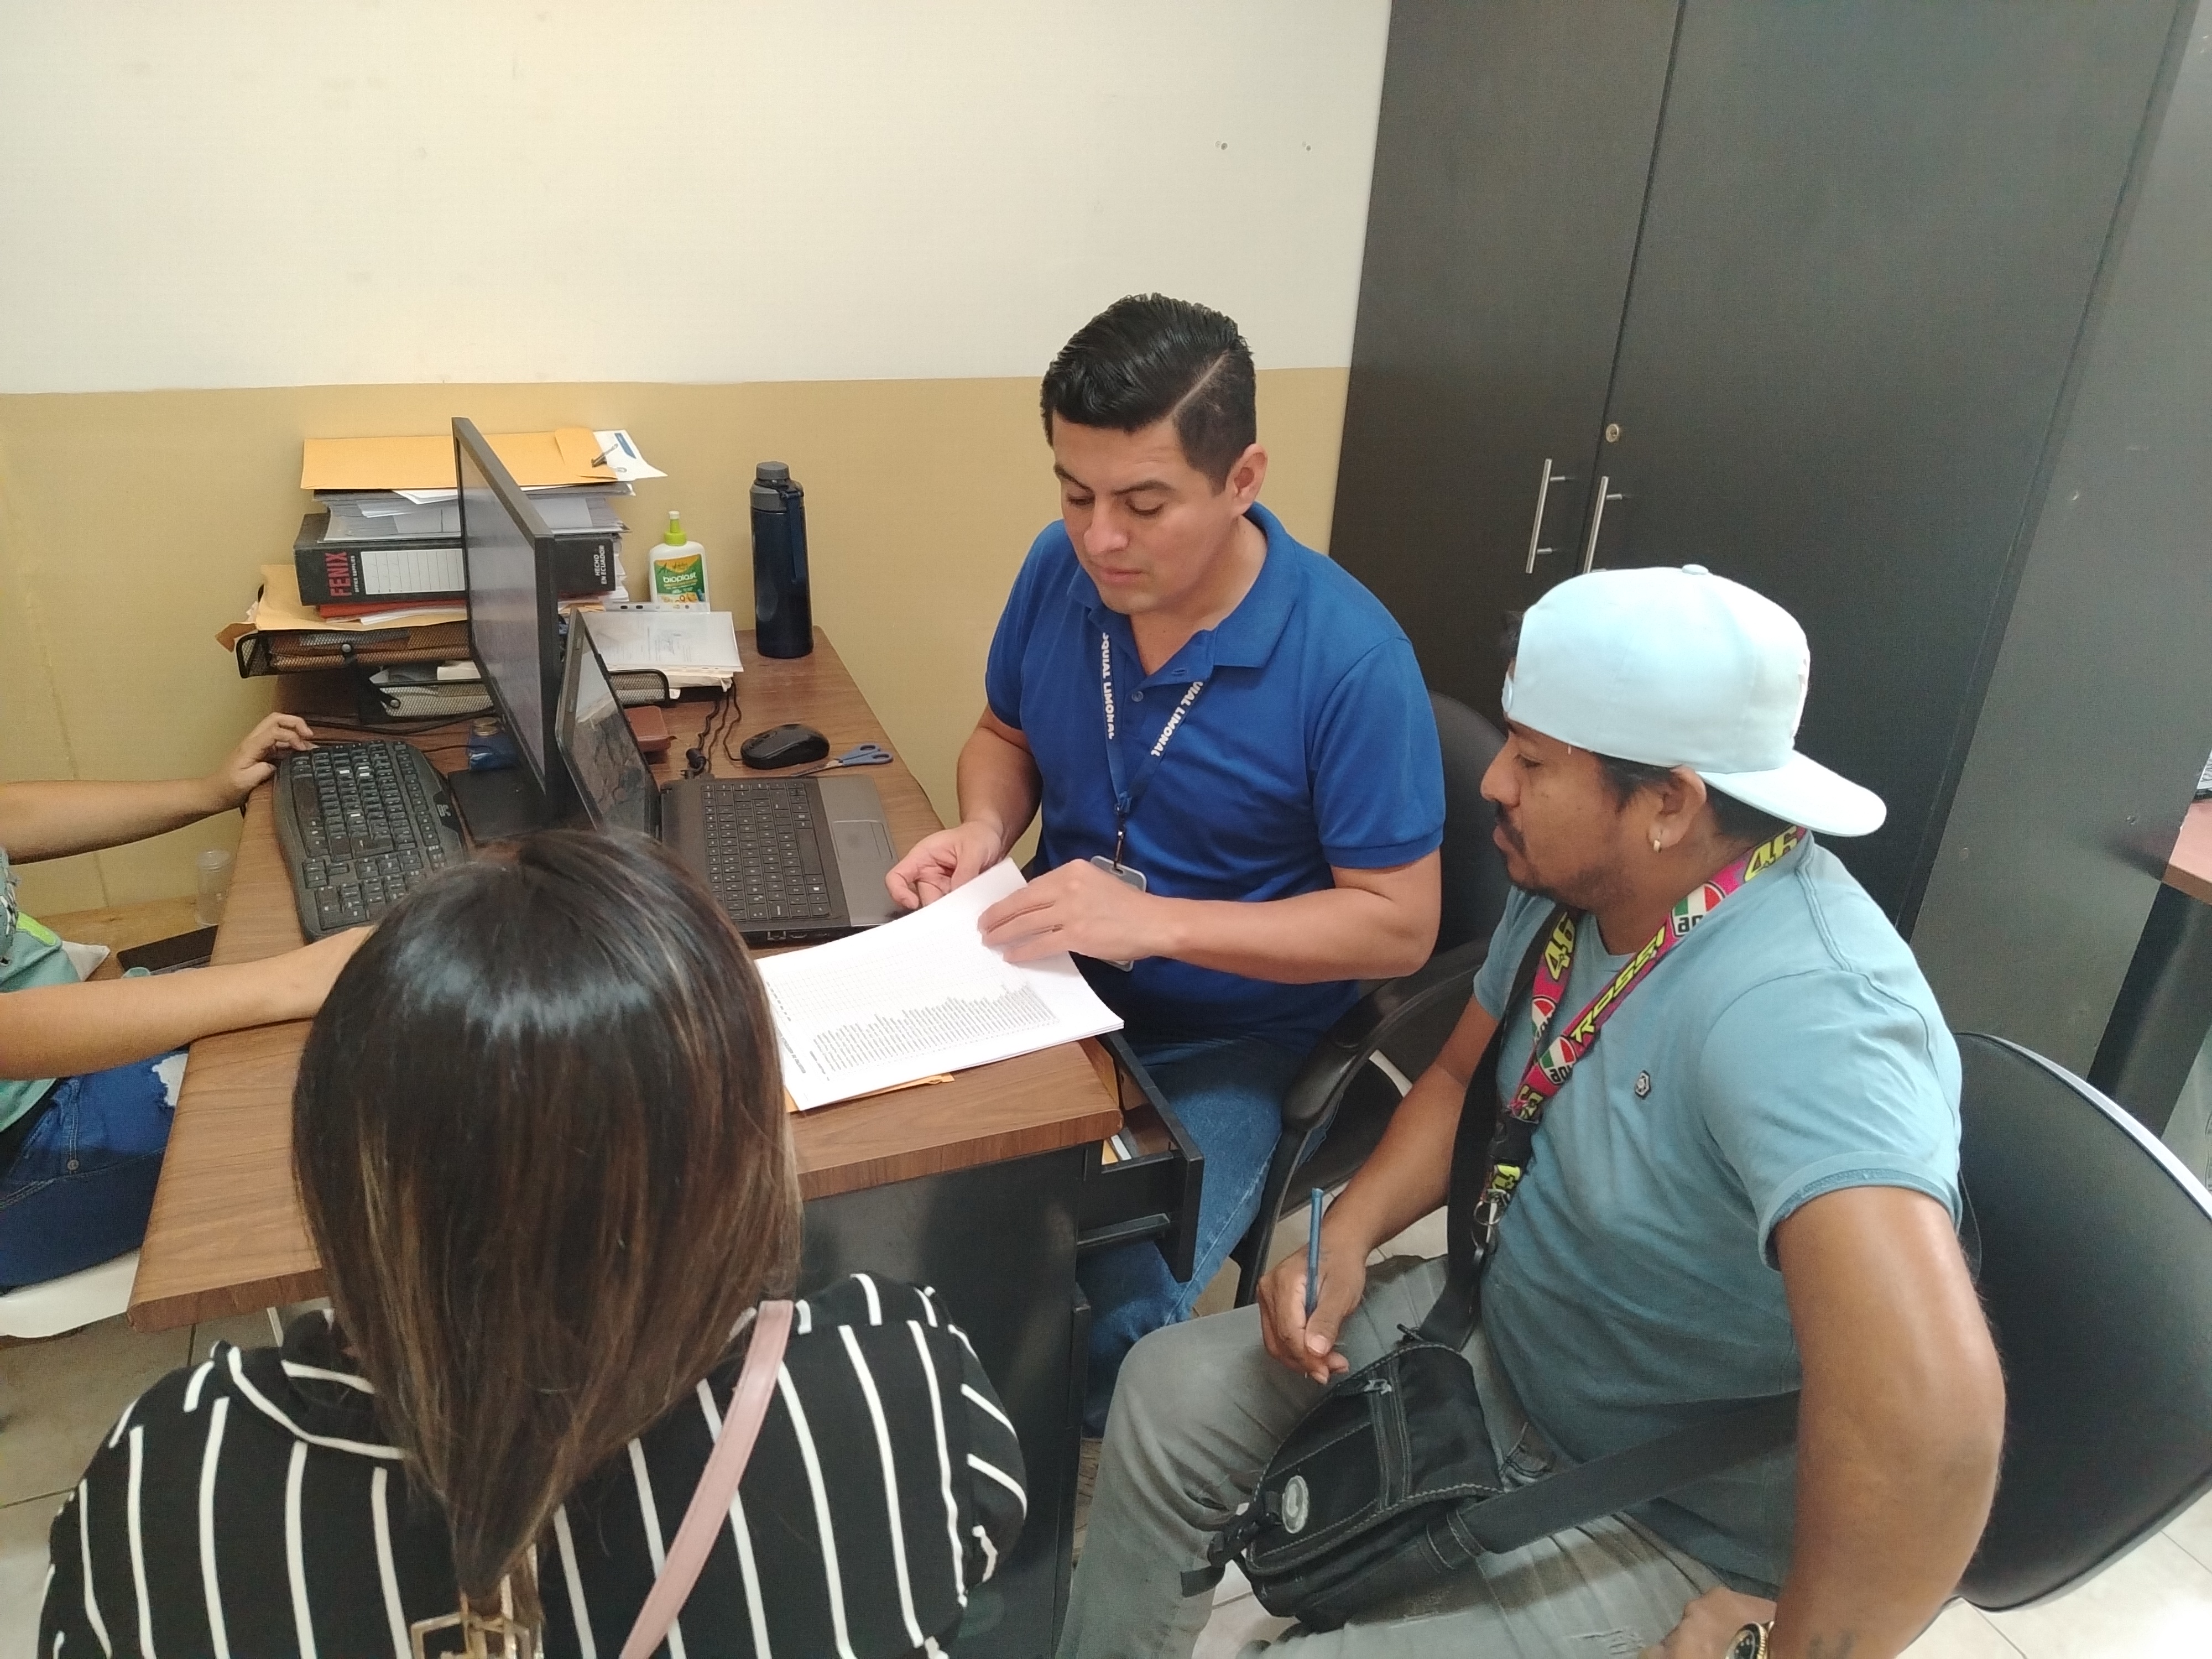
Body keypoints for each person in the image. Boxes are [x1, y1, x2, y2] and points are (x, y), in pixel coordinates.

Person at [1061, 566, 2005, 1659]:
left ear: (1669, 803)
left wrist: (1793, 1638)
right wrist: (1347, 1237)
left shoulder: (1810, 1016)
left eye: (1534, 761)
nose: (1493, 783)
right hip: (1496, 1343)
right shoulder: (1578, 886)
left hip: (1663, 1507)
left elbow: (1934, 1428)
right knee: (1164, 1393)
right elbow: (1459, 1080)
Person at [40, 830, 1025, 1657]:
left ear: (343, 1163)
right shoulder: (898, 1373)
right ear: (740, 1152)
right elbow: (977, 1541)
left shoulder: (175, 1479)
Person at [885, 294, 1444, 1427]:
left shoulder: (1348, 662)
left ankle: (1066, 1481)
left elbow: (1398, 924)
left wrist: (1160, 924)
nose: (1101, 539)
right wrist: (985, 831)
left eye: (1143, 505)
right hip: (1049, 983)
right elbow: (1002, 736)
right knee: (907, 1202)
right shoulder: (1060, 574)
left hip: (1229, 1036)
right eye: (1075, 494)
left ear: (1243, 479)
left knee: (1105, 1312)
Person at [0, 713, 367, 1288]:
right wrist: (288, 981)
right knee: (351, 1089)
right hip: (26, 1145)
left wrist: (210, 792)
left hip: (55, 1044)